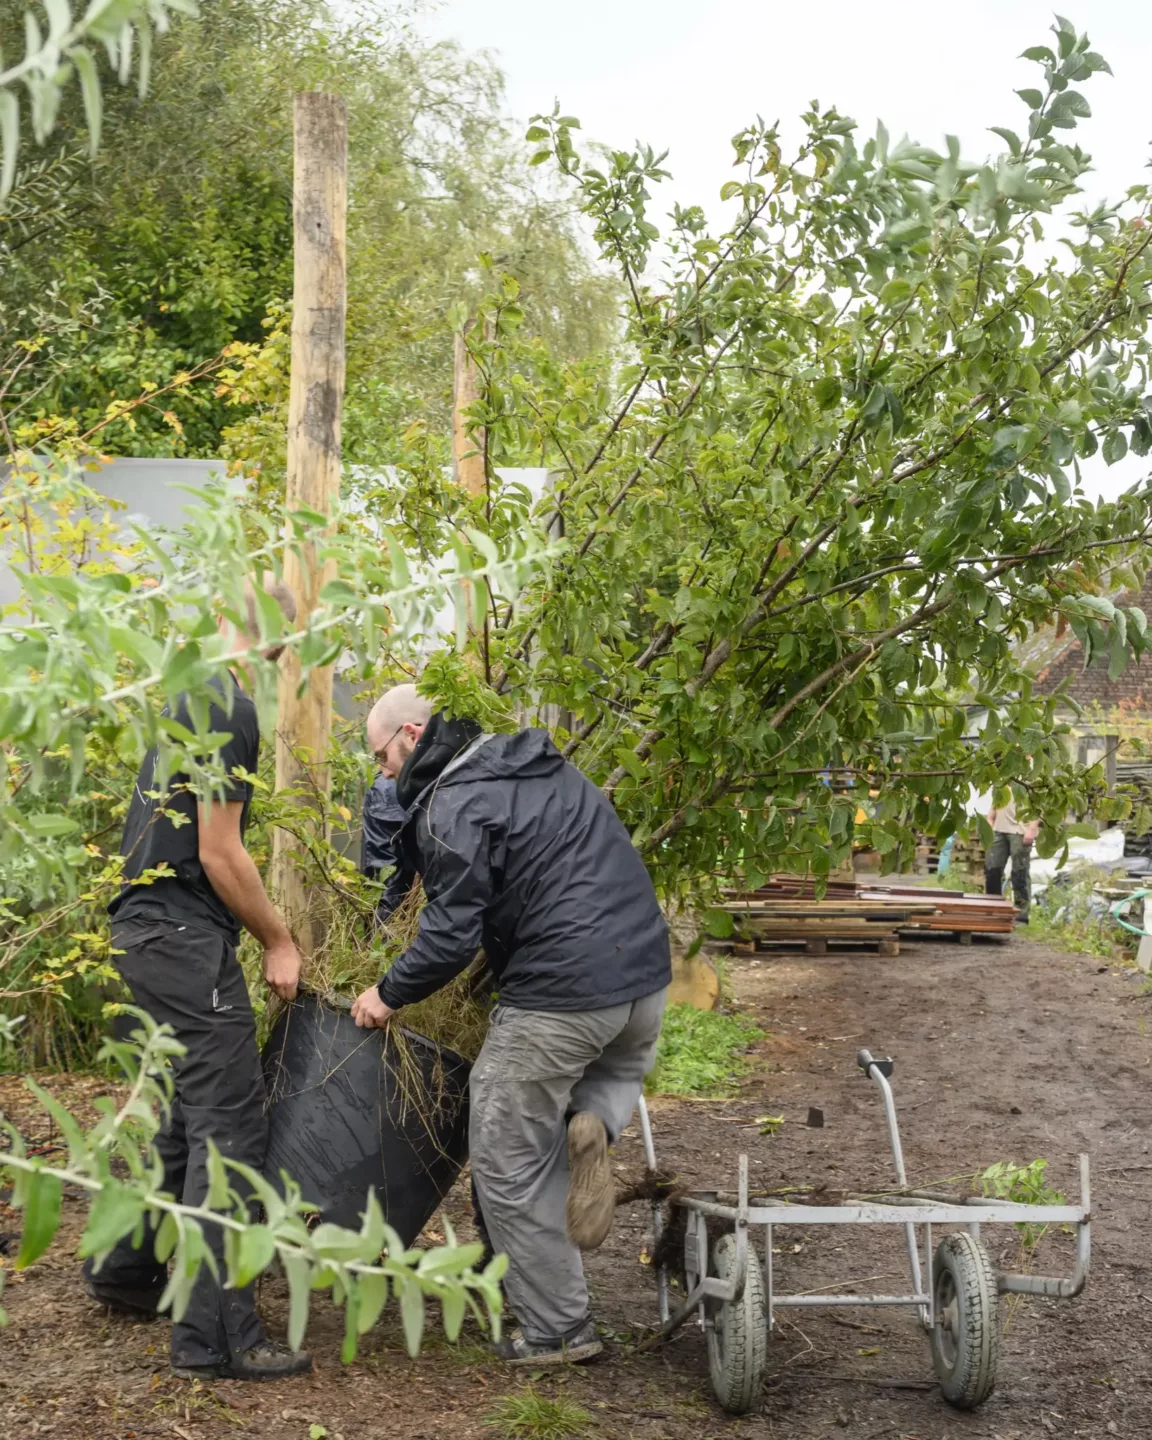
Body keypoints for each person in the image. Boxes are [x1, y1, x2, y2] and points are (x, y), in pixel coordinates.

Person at [350, 684, 671, 1366]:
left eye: (381, 756)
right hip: (643, 986)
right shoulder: (524, 764)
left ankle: (559, 1330)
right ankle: (594, 1122)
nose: (382, 771)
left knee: (505, 1144)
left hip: (565, 994)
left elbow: (448, 935)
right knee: (585, 1093)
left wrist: (386, 992)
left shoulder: (454, 801)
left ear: (412, 733)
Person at [83, 576, 313, 1383]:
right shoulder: (226, 702)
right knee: (230, 1128)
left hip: (141, 931)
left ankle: (128, 1272)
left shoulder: (183, 691)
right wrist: (279, 939)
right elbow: (221, 854)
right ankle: (217, 1338)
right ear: (280, 636)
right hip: (181, 936)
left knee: (186, 1117)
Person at [984, 797, 1039, 924]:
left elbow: (1038, 805)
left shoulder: (1029, 780)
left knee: (1019, 873)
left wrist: (1032, 828)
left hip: (1020, 831)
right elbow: (992, 810)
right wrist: (989, 824)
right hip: (998, 830)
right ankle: (994, 910)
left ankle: (1021, 914)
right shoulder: (1002, 783)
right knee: (992, 870)